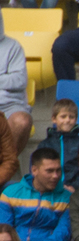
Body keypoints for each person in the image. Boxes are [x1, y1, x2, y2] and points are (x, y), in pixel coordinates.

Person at [2, 148, 72, 241]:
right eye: (49, 171)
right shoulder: (10, 193)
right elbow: (4, 228)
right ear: (34, 170)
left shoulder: (67, 198)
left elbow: (63, 232)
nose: (55, 176)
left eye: (58, 170)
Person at [41, 101, 79, 194]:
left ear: (76, 119)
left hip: (75, 191)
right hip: (50, 191)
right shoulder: (45, 145)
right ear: (54, 119)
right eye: (63, 117)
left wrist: (74, 187)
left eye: (71, 117)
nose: (67, 120)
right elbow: (38, 169)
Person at [0, 13, 30, 159]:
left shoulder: (13, 46)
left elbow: (20, 80)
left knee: (22, 121)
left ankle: (6, 165)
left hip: (9, 104)